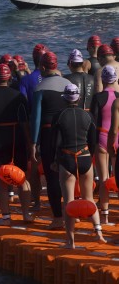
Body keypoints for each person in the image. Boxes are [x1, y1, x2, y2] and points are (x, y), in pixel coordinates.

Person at [0, 62, 33, 224]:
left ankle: (6, 217)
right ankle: (26, 214)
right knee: (22, 177)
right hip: (17, 137)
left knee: (0, 178)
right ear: (10, 79)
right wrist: (30, 145)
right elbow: (25, 124)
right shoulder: (18, 96)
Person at [52, 83, 104, 247]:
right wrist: (91, 157)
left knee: (68, 201)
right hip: (85, 158)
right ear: (79, 98)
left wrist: (55, 160)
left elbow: (55, 142)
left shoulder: (59, 116)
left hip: (67, 158)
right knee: (89, 198)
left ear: (65, 99)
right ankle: (99, 233)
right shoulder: (88, 116)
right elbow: (92, 141)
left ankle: (70, 241)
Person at [30, 51, 71, 229]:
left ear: (43, 67)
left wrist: (33, 142)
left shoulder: (40, 88)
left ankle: (57, 218)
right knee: (69, 175)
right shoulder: (69, 84)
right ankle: (73, 213)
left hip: (48, 136)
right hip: (69, 133)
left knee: (52, 176)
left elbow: (36, 118)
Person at [92, 65, 119, 223]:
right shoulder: (118, 96)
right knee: (117, 177)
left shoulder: (98, 97)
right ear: (115, 79)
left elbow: (93, 121)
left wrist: (92, 142)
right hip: (117, 138)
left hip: (102, 136)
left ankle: (105, 216)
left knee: (103, 179)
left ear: (102, 79)